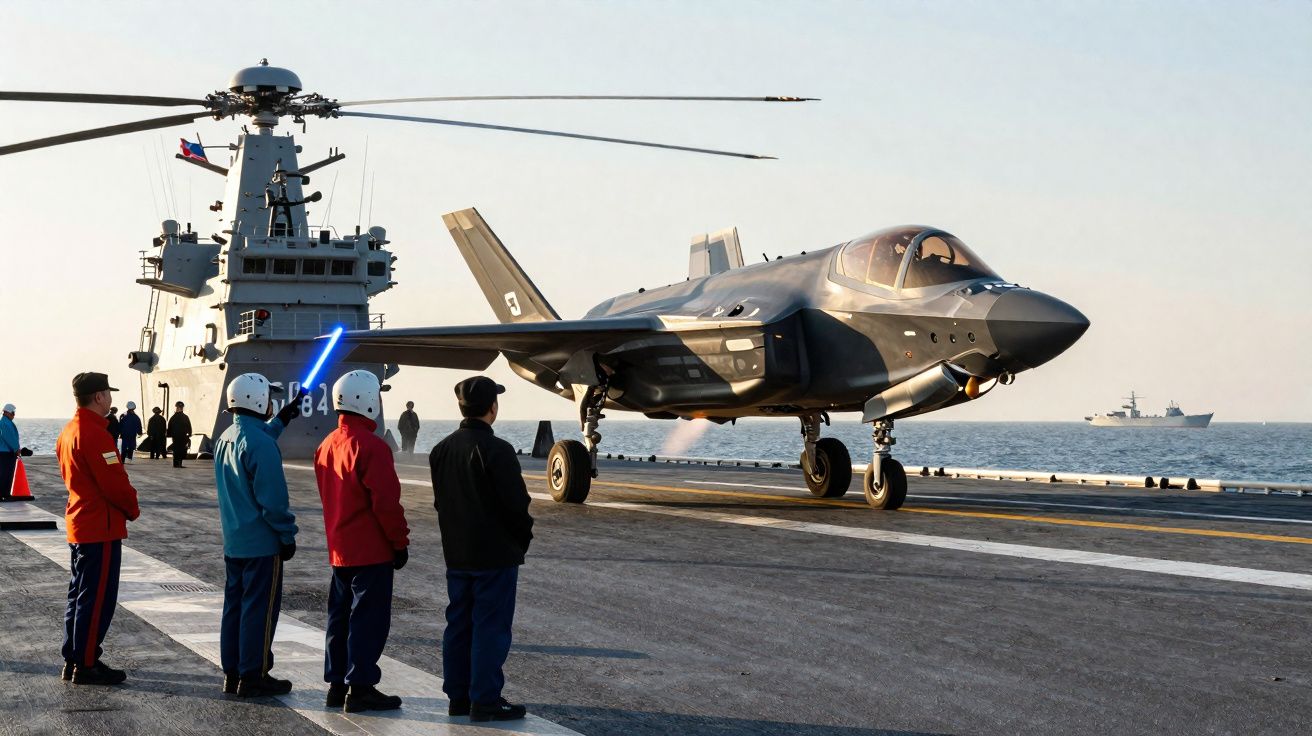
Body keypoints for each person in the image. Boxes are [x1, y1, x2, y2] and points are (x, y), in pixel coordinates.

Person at [430, 376, 533, 722]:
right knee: (490, 626)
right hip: (495, 555)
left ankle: (457, 697)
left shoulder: (440, 450)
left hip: (457, 553)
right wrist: (521, 541)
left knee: (458, 623)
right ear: (493, 406)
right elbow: (517, 506)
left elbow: (440, 504)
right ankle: (485, 699)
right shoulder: (498, 450)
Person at [314, 370, 410, 713]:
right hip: (371, 550)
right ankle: (362, 687)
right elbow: (386, 503)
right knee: (367, 620)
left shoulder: (326, 445)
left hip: (339, 550)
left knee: (338, 619)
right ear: (367, 400)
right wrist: (399, 543)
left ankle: (336, 685)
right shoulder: (372, 446)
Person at [213, 373, 303, 698]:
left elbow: (255, 437)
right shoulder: (262, 444)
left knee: (234, 607)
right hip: (262, 544)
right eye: (268, 397)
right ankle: (255, 674)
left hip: (234, 541)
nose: (271, 402)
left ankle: (233, 672)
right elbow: (274, 501)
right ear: (256, 400)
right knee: (259, 610)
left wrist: (284, 418)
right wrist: (287, 535)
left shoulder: (225, 436)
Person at [56, 372, 140, 685]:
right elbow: (114, 483)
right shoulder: (94, 433)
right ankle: (87, 664)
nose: (110, 399)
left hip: (80, 523)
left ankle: (73, 657)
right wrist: (132, 508)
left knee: (78, 595)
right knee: (97, 598)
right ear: (99, 397)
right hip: (99, 527)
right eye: (108, 393)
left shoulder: (68, 431)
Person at [0, 403, 33, 501]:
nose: (14, 415)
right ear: (9, 412)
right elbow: (9, 438)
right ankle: (4, 494)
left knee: (6, 474)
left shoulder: (5, 422)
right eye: (13, 413)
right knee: (6, 474)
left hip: (6, 452)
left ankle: (4, 493)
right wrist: (16, 449)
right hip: (6, 453)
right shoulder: (5, 423)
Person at [167, 401, 192, 468]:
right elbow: (189, 427)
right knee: (181, 450)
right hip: (182, 436)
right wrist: (189, 434)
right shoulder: (185, 417)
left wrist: (169, 434)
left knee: (176, 450)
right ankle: (179, 464)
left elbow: (169, 427)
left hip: (176, 437)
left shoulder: (173, 417)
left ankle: (176, 464)